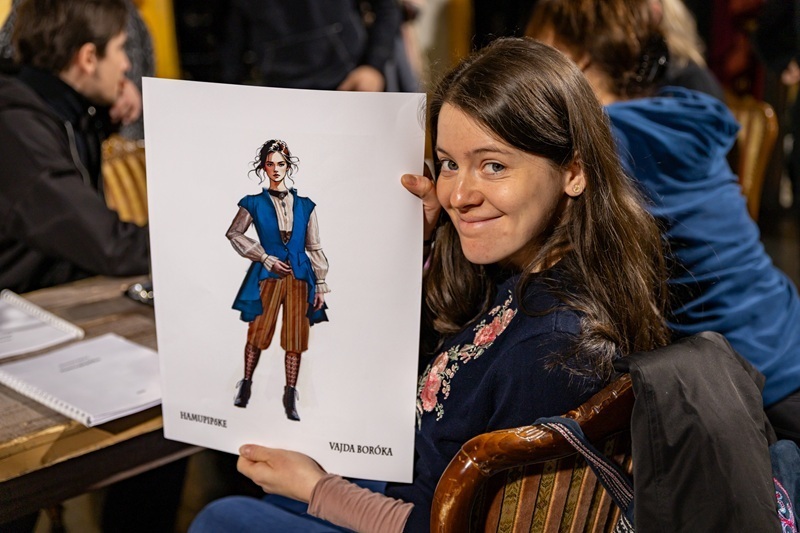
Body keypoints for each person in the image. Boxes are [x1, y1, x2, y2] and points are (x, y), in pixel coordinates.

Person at [189, 37, 669, 532]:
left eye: (494, 166)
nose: (458, 195)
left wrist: (318, 490)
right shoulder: (532, 275)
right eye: (449, 163)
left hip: (424, 515)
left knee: (221, 517)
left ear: (574, 171)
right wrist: (420, 242)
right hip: (415, 478)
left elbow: (450, 526)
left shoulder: (549, 350)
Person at [528, 0, 800, 445]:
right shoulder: (682, 109)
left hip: (747, 386)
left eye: (542, 51)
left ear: (575, 58)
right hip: (784, 329)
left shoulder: (604, 144)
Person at [0, 0, 150, 293]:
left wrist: (103, 109)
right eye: (120, 48)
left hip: (48, 295)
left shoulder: (52, 107)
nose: (126, 65)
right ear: (88, 58)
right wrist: (193, 242)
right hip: (21, 310)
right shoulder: (19, 133)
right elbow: (110, 246)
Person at [227, 139, 329, 421]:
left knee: (295, 337)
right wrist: (263, 257)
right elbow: (234, 233)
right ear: (263, 167)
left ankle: (290, 395)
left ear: (288, 166)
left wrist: (320, 284)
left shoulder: (306, 205)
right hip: (268, 276)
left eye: (280, 164)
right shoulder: (253, 203)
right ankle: (246, 385)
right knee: (258, 332)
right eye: (270, 164)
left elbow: (314, 246)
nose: (275, 169)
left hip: (300, 277)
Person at [0, 0, 153, 139]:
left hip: (95, 129)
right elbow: (16, 62)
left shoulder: (124, 10)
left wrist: (119, 87)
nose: (126, 64)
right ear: (88, 57)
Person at [219, 0, 405, 92]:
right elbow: (230, 35)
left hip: (349, 83)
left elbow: (387, 9)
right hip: (277, 92)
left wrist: (373, 66)